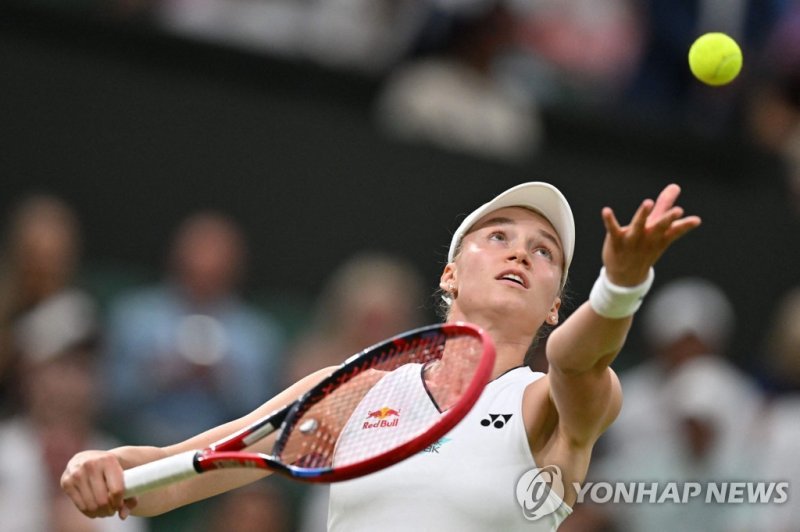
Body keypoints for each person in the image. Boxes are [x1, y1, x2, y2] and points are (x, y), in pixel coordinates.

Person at [60, 182, 701, 530]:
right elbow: (181, 473)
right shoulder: (355, 390)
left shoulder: (549, 404)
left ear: (556, 303)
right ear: (450, 275)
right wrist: (102, 466)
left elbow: (577, 358)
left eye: (543, 252)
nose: (519, 253)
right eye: (498, 236)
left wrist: (621, 287)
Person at [101, 212, 285, 446]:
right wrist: (157, 374)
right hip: (137, 443)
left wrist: (223, 380)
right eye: (197, 258)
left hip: (222, 455)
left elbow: (267, 414)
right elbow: (106, 396)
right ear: (177, 259)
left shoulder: (257, 335)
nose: (205, 267)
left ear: (235, 268)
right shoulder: (135, 317)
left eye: (217, 265)